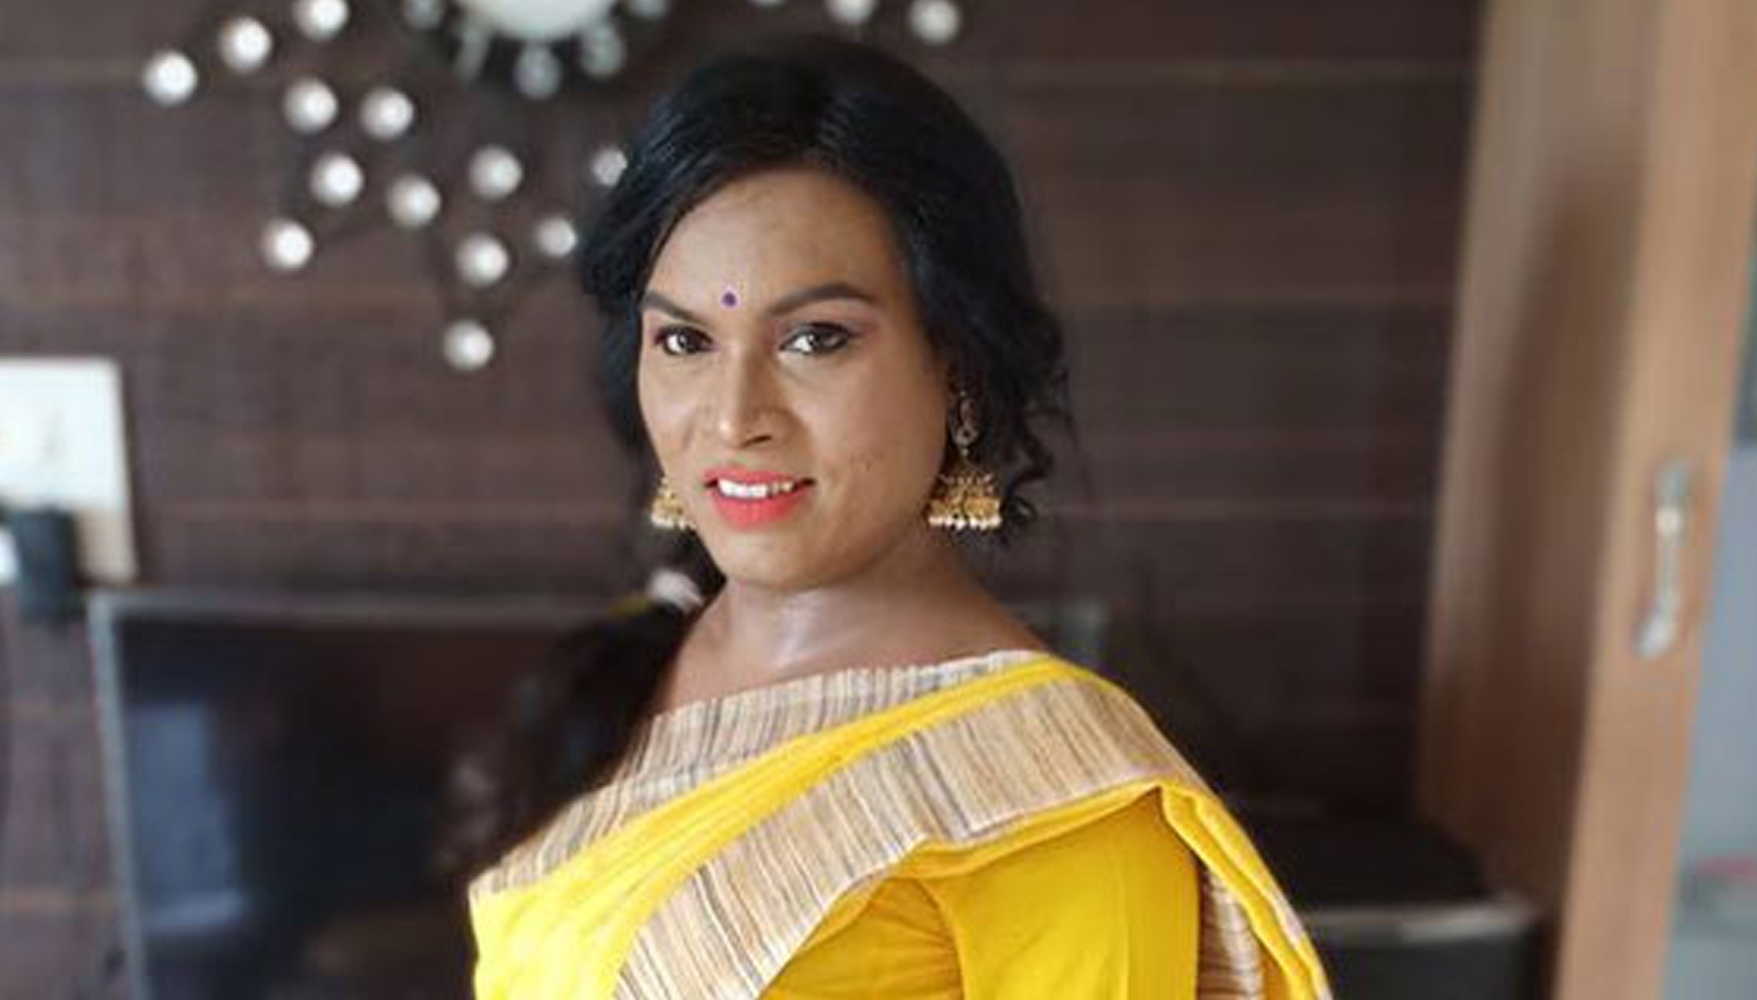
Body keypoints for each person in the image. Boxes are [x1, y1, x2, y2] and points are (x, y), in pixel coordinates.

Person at [448, 35, 1331, 1000]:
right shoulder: (639, 658)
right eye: (687, 340)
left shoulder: (1053, 804)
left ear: (957, 368)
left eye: (815, 339)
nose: (735, 418)